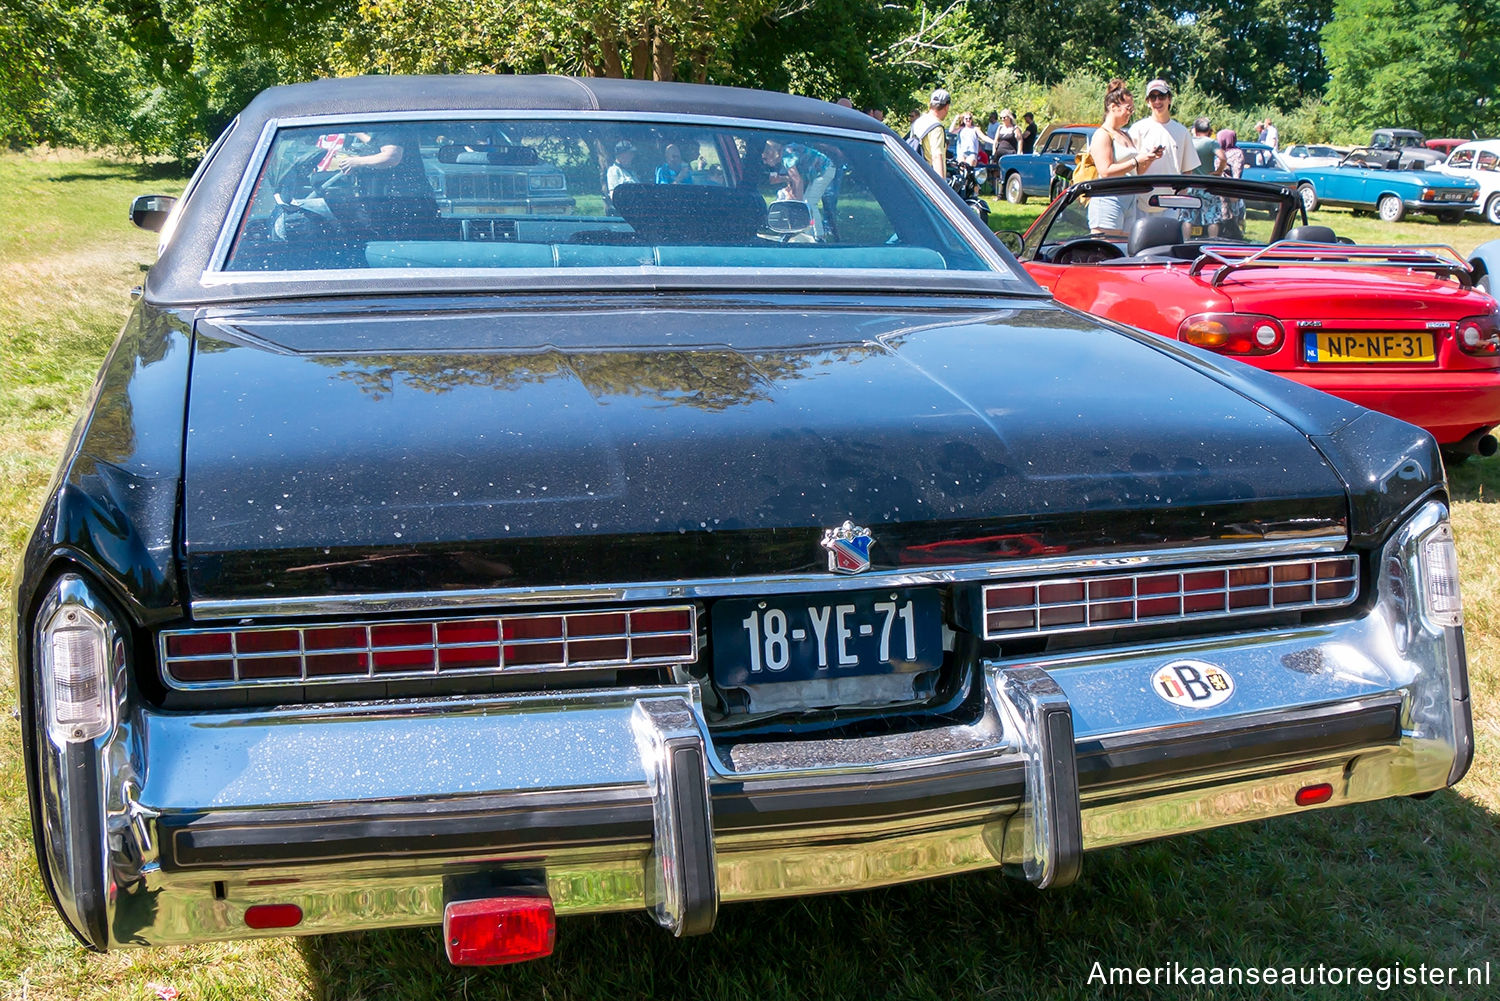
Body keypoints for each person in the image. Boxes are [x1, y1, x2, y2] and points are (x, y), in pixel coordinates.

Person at [1087, 79, 1164, 236]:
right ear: (1113, 107)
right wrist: (1136, 160)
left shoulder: (1125, 134)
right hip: (1108, 199)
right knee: (1108, 250)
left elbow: (1137, 171)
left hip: (1130, 200)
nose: (1130, 113)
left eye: (1132, 109)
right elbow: (1106, 171)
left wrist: (1148, 159)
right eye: (1128, 108)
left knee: (1126, 252)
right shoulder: (1102, 135)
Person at [761, 138, 838, 238]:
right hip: (820, 171)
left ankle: (819, 235)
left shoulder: (787, 157)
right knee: (807, 203)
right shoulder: (786, 152)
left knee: (810, 202)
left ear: (770, 153)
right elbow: (796, 177)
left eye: (765, 159)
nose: (765, 163)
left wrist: (797, 204)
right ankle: (810, 233)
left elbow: (798, 180)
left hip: (824, 170)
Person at [1129, 79, 1200, 176]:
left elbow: (1187, 171)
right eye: (1153, 97)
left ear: (1169, 99)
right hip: (1144, 190)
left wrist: (1182, 191)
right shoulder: (1137, 129)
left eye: (1161, 96)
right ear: (1148, 102)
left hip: (1171, 191)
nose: (1157, 101)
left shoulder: (1182, 132)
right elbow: (1130, 169)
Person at [909, 89, 951, 179]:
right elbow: (936, 157)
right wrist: (941, 187)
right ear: (946, 107)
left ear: (930, 104)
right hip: (929, 178)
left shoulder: (918, 122)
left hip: (915, 174)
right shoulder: (936, 127)